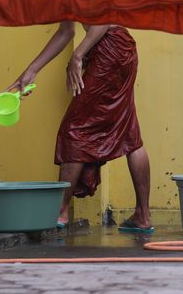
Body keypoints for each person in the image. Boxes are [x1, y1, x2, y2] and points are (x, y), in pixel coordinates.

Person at [9, 22, 152, 233]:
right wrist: (30, 72)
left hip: (110, 49)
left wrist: (78, 55)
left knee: (75, 129)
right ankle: (143, 214)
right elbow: (66, 32)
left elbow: (102, 19)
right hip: (119, 49)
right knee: (129, 129)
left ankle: (60, 211)